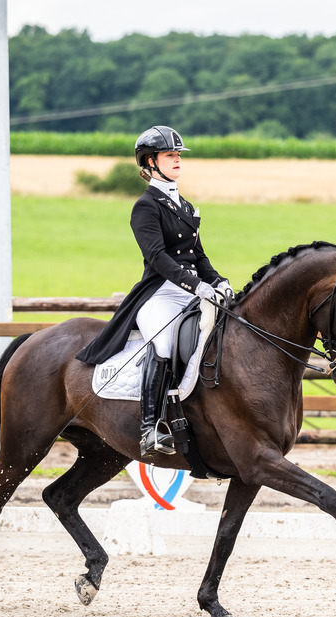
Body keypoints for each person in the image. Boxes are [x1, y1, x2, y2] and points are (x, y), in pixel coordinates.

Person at [76, 126, 232, 457]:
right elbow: (158, 258)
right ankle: (150, 428)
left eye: (178, 155)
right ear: (150, 162)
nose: (177, 160)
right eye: (170, 155)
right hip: (159, 293)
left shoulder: (185, 205)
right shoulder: (146, 206)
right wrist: (197, 285)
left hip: (192, 292)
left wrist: (219, 281)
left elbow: (199, 256)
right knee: (163, 343)